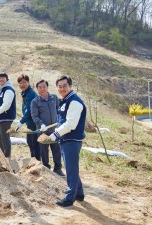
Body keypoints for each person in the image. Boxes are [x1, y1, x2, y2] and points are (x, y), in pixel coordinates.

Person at [48, 75, 87, 207]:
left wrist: (55, 134)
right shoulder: (65, 100)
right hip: (66, 139)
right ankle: (79, 193)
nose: (62, 88)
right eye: (59, 86)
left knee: (70, 169)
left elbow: (70, 124)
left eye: (65, 86)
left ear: (70, 86)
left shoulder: (74, 102)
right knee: (72, 168)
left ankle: (70, 198)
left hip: (72, 140)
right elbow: (62, 120)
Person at [31, 80, 65, 177]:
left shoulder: (54, 98)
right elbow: (35, 116)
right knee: (44, 150)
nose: (42, 89)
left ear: (47, 87)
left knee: (56, 149)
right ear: (37, 89)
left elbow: (59, 111)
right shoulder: (35, 101)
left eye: (44, 87)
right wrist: (41, 124)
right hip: (43, 131)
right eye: (40, 87)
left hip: (55, 129)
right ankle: (46, 168)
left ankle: (58, 168)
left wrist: (60, 121)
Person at [0, 72, 16, 158]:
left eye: (3, 78)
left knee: (4, 138)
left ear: (7, 79)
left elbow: (6, 105)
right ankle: (1, 156)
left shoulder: (8, 89)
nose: (1, 79)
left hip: (5, 117)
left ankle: (7, 157)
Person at [15, 74, 40, 159]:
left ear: (28, 83)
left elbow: (29, 110)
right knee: (30, 142)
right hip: (30, 122)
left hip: (34, 122)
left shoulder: (31, 94)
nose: (22, 84)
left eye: (24, 82)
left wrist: (21, 121)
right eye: (20, 83)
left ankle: (37, 162)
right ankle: (34, 161)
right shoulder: (25, 93)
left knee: (34, 143)